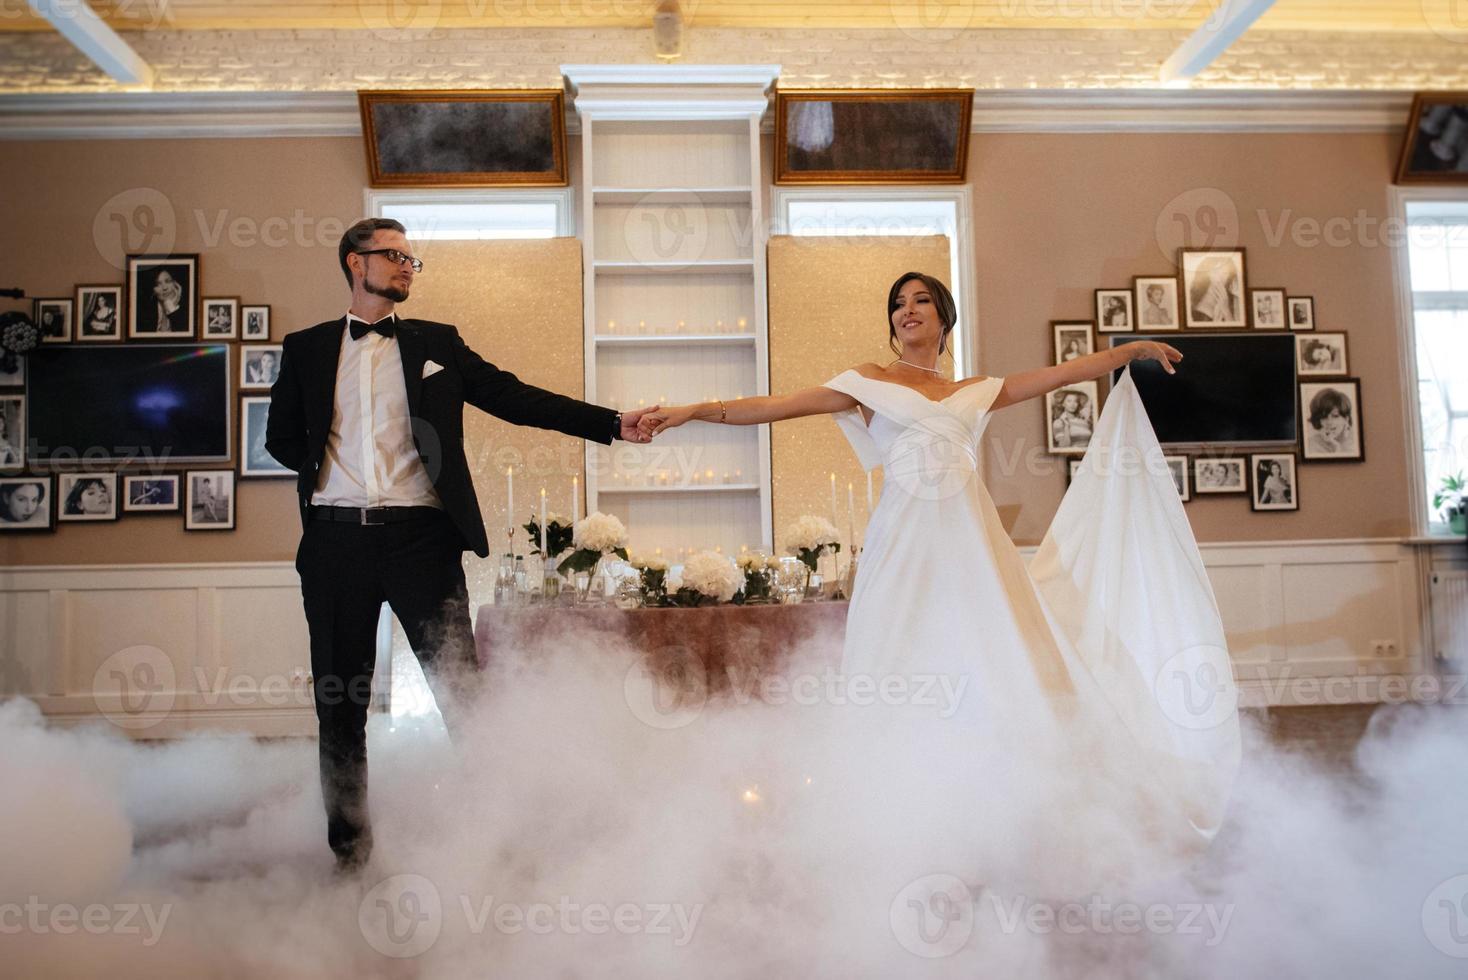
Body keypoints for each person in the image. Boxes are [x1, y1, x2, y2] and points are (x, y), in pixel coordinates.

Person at [642, 270, 1240, 890]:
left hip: (974, 548)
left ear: (944, 318)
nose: (907, 311)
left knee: (993, 665)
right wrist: (691, 412)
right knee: (897, 665)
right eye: (898, 304)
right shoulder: (865, 383)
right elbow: (773, 406)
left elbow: (1059, 374)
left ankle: (1000, 819)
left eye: (920, 300)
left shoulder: (974, 389)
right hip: (903, 549)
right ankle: (899, 820)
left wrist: (1129, 352)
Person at [266, 217, 658, 873]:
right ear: (354, 264)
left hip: (422, 541)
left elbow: (513, 397)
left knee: (463, 697)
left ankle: (499, 835)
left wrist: (610, 423)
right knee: (340, 705)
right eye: (393, 256)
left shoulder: (435, 341)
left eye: (412, 259)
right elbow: (283, 439)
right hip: (335, 548)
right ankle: (350, 854)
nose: (406, 267)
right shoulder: (305, 348)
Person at [1306, 388, 1355, 455]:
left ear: (1346, 419)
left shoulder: (1355, 442)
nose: (1329, 422)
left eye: (1335, 416)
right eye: (1324, 417)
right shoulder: (1312, 444)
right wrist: (1336, 447)